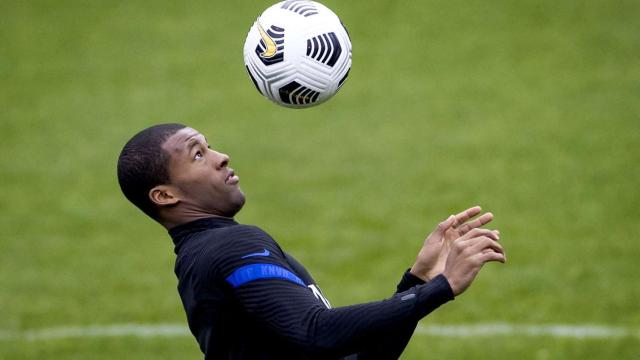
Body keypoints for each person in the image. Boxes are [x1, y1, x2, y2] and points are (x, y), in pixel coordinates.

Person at [117, 123, 506, 360]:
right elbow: (317, 332)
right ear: (165, 196)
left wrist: (417, 282)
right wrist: (441, 288)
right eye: (198, 155)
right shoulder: (230, 248)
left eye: (209, 145)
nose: (221, 156)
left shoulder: (205, 252)